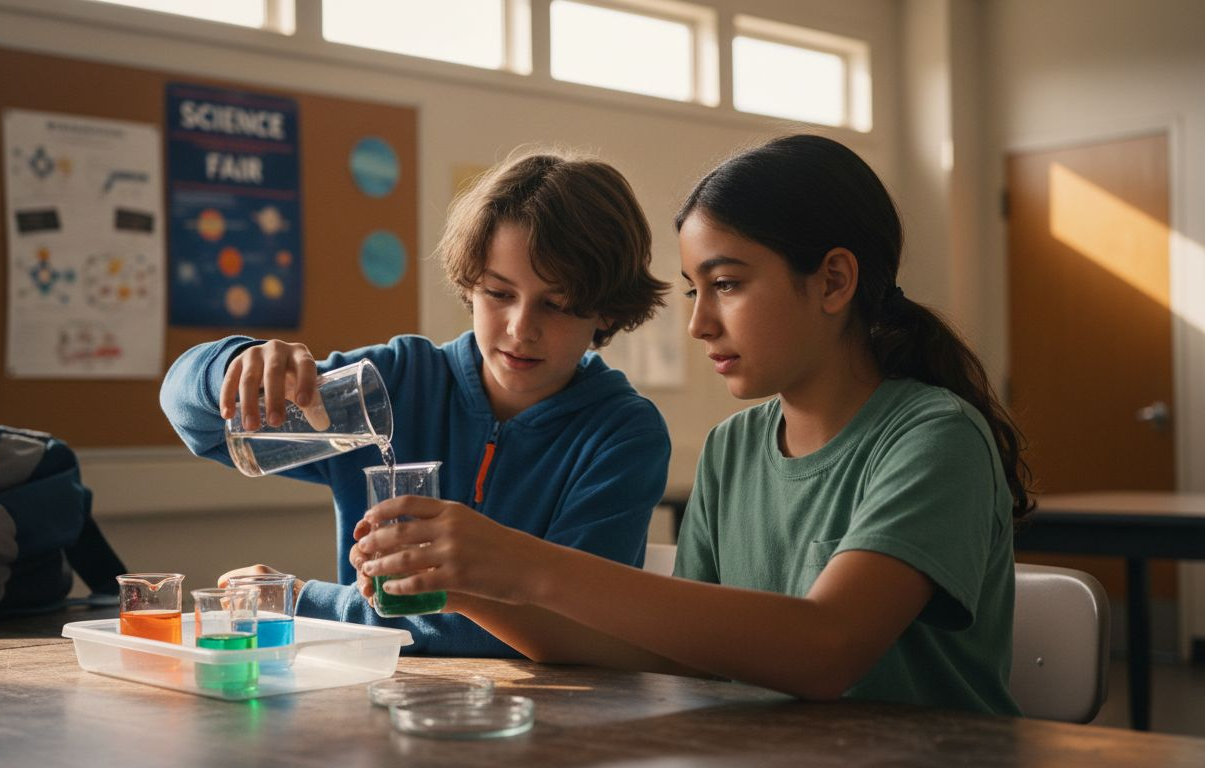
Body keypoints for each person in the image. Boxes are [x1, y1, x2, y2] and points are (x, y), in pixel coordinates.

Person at [353, 134, 1034, 714]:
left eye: (728, 284)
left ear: (833, 282)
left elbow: (828, 649)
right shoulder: (734, 447)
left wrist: (525, 564)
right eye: (692, 290)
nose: (700, 323)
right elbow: (679, 653)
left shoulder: (935, 436)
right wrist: (474, 587)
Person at [161, 148, 671, 656]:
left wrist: (302, 602)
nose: (521, 329)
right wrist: (230, 367)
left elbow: (566, 628)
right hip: (380, 702)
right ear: (470, 284)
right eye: (499, 293)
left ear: (605, 311)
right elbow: (203, 428)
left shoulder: (622, 435)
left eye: (556, 304)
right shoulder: (396, 382)